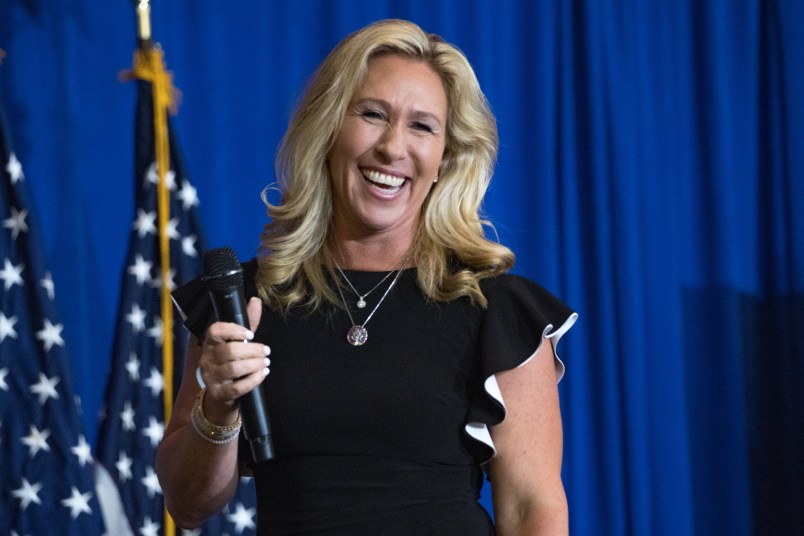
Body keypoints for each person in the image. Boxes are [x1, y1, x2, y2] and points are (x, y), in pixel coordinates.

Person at [156, 18, 577, 536]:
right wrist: (218, 404)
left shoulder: (498, 311)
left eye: (422, 126)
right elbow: (188, 504)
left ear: (447, 157)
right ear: (330, 127)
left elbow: (534, 510)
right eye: (373, 115)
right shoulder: (242, 303)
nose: (392, 148)